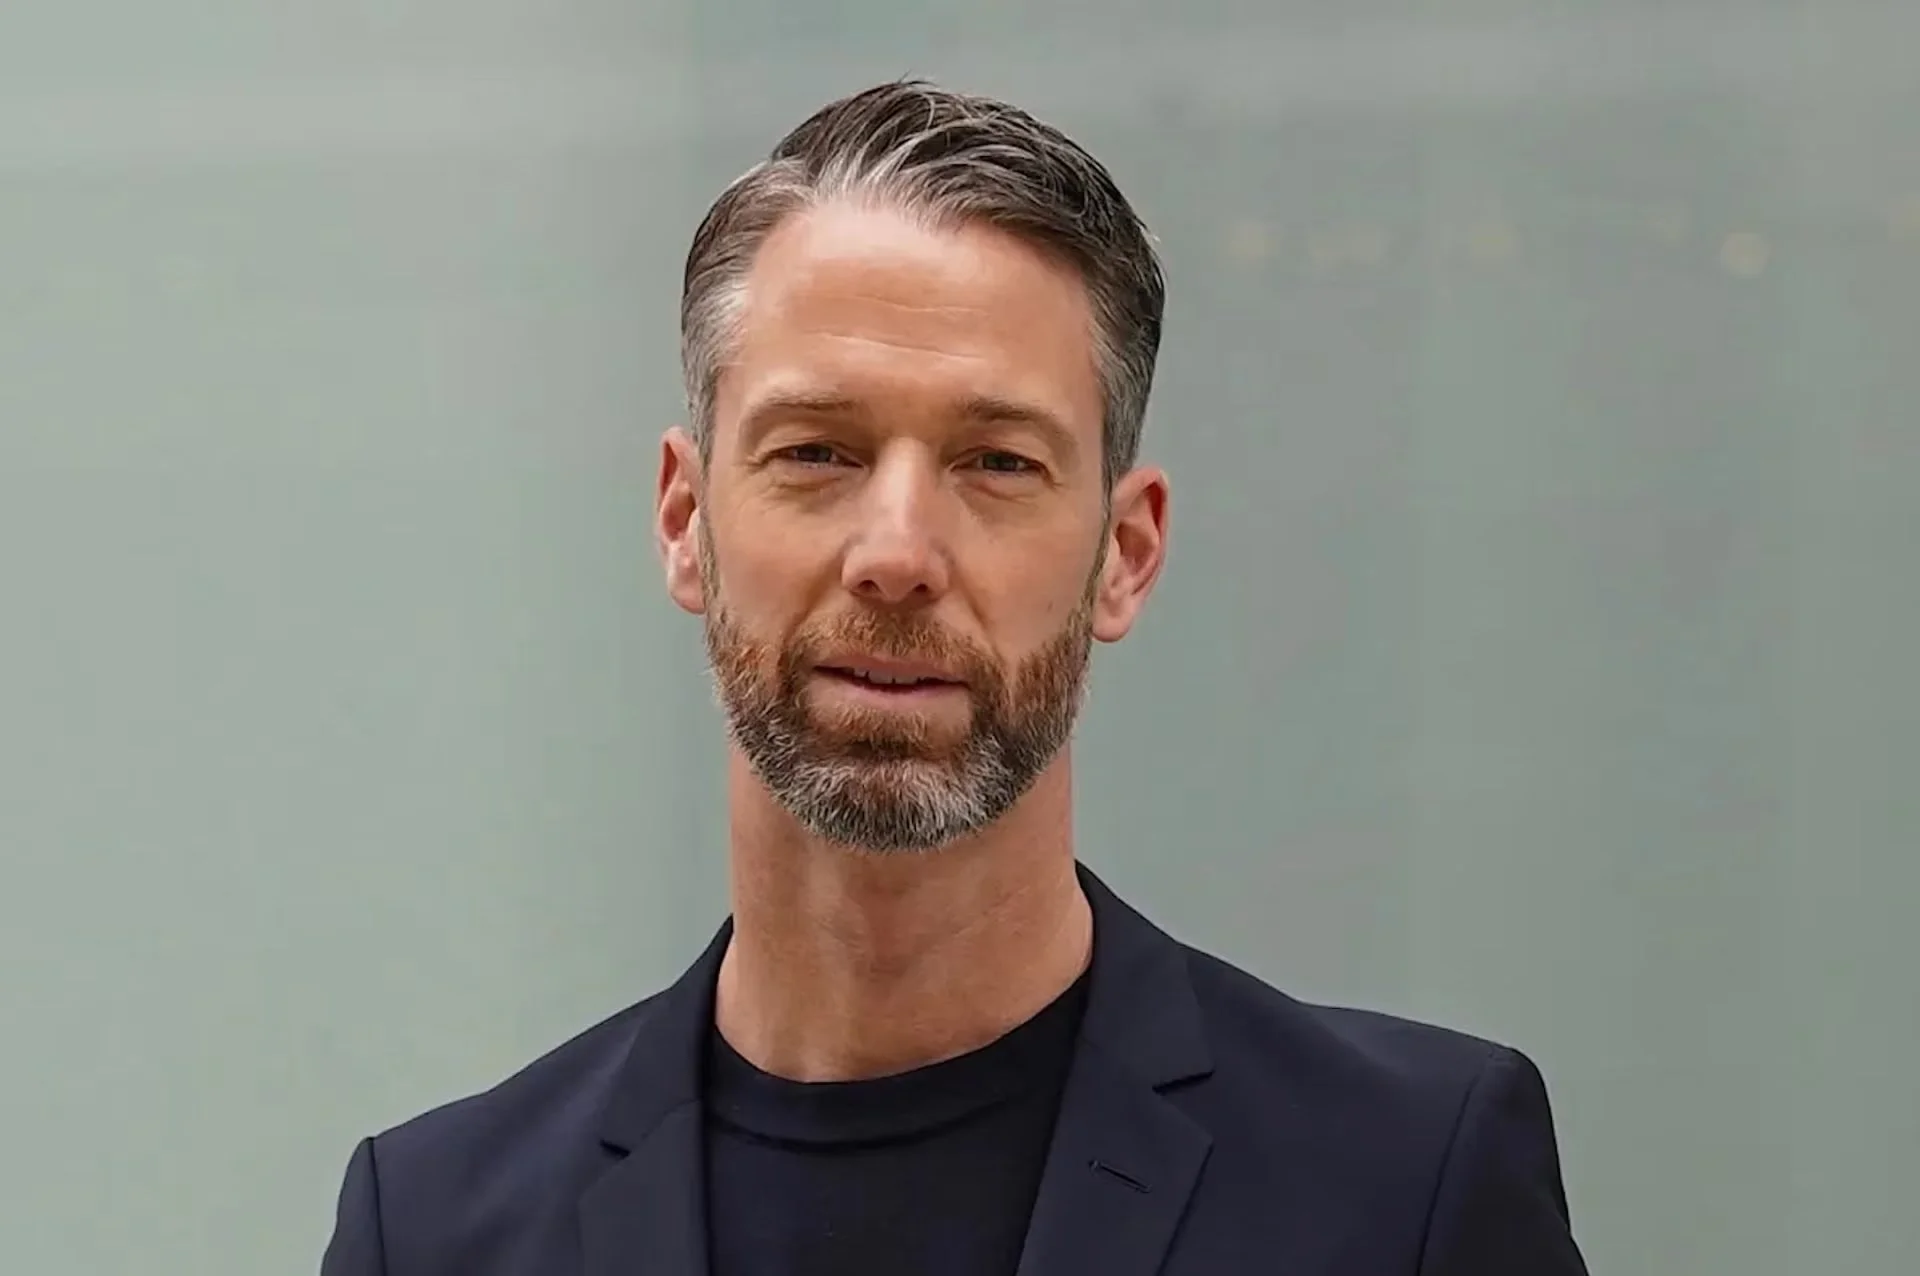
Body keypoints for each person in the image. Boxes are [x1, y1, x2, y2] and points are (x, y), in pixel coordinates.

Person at [320, 80, 1588, 1275]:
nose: (898, 555)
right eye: (817, 451)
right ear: (684, 519)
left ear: (1125, 554)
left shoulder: (1405, 1188)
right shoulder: (433, 1231)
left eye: (998, 463)